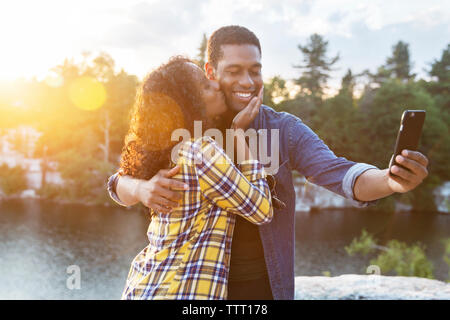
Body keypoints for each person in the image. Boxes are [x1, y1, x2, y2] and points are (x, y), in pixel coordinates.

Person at [108, 26, 429, 300]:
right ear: (210, 72)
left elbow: (342, 174)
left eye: (255, 70)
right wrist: (141, 188)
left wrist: (390, 180)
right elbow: (118, 182)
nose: (247, 81)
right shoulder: (189, 127)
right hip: (192, 290)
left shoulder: (282, 129)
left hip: (262, 290)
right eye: (234, 71)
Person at [118, 56, 273, 300]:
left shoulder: (171, 145)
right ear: (187, 102)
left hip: (147, 286)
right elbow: (262, 209)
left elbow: (117, 181)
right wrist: (238, 133)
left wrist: (136, 188)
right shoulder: (200, 150)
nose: (215, 85)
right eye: (204, 85)